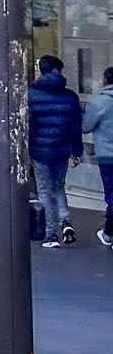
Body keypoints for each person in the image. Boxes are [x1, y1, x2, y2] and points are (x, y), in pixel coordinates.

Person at [27, 54, 84, 248]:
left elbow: (28, 124)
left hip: (39, 150)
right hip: (62, 150)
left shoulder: (31, 95)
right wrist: (77, 151)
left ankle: (51, 234)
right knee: (58, 186)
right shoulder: (70, 96)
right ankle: (65, 221)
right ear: (58, 71)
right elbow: (75, 126)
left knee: (45, 191)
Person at [83, 67, 113, 247]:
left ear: (105, 80)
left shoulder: (99, 102)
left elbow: (86, 126)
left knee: (111, 194)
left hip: (107, 157)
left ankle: (109, 232)